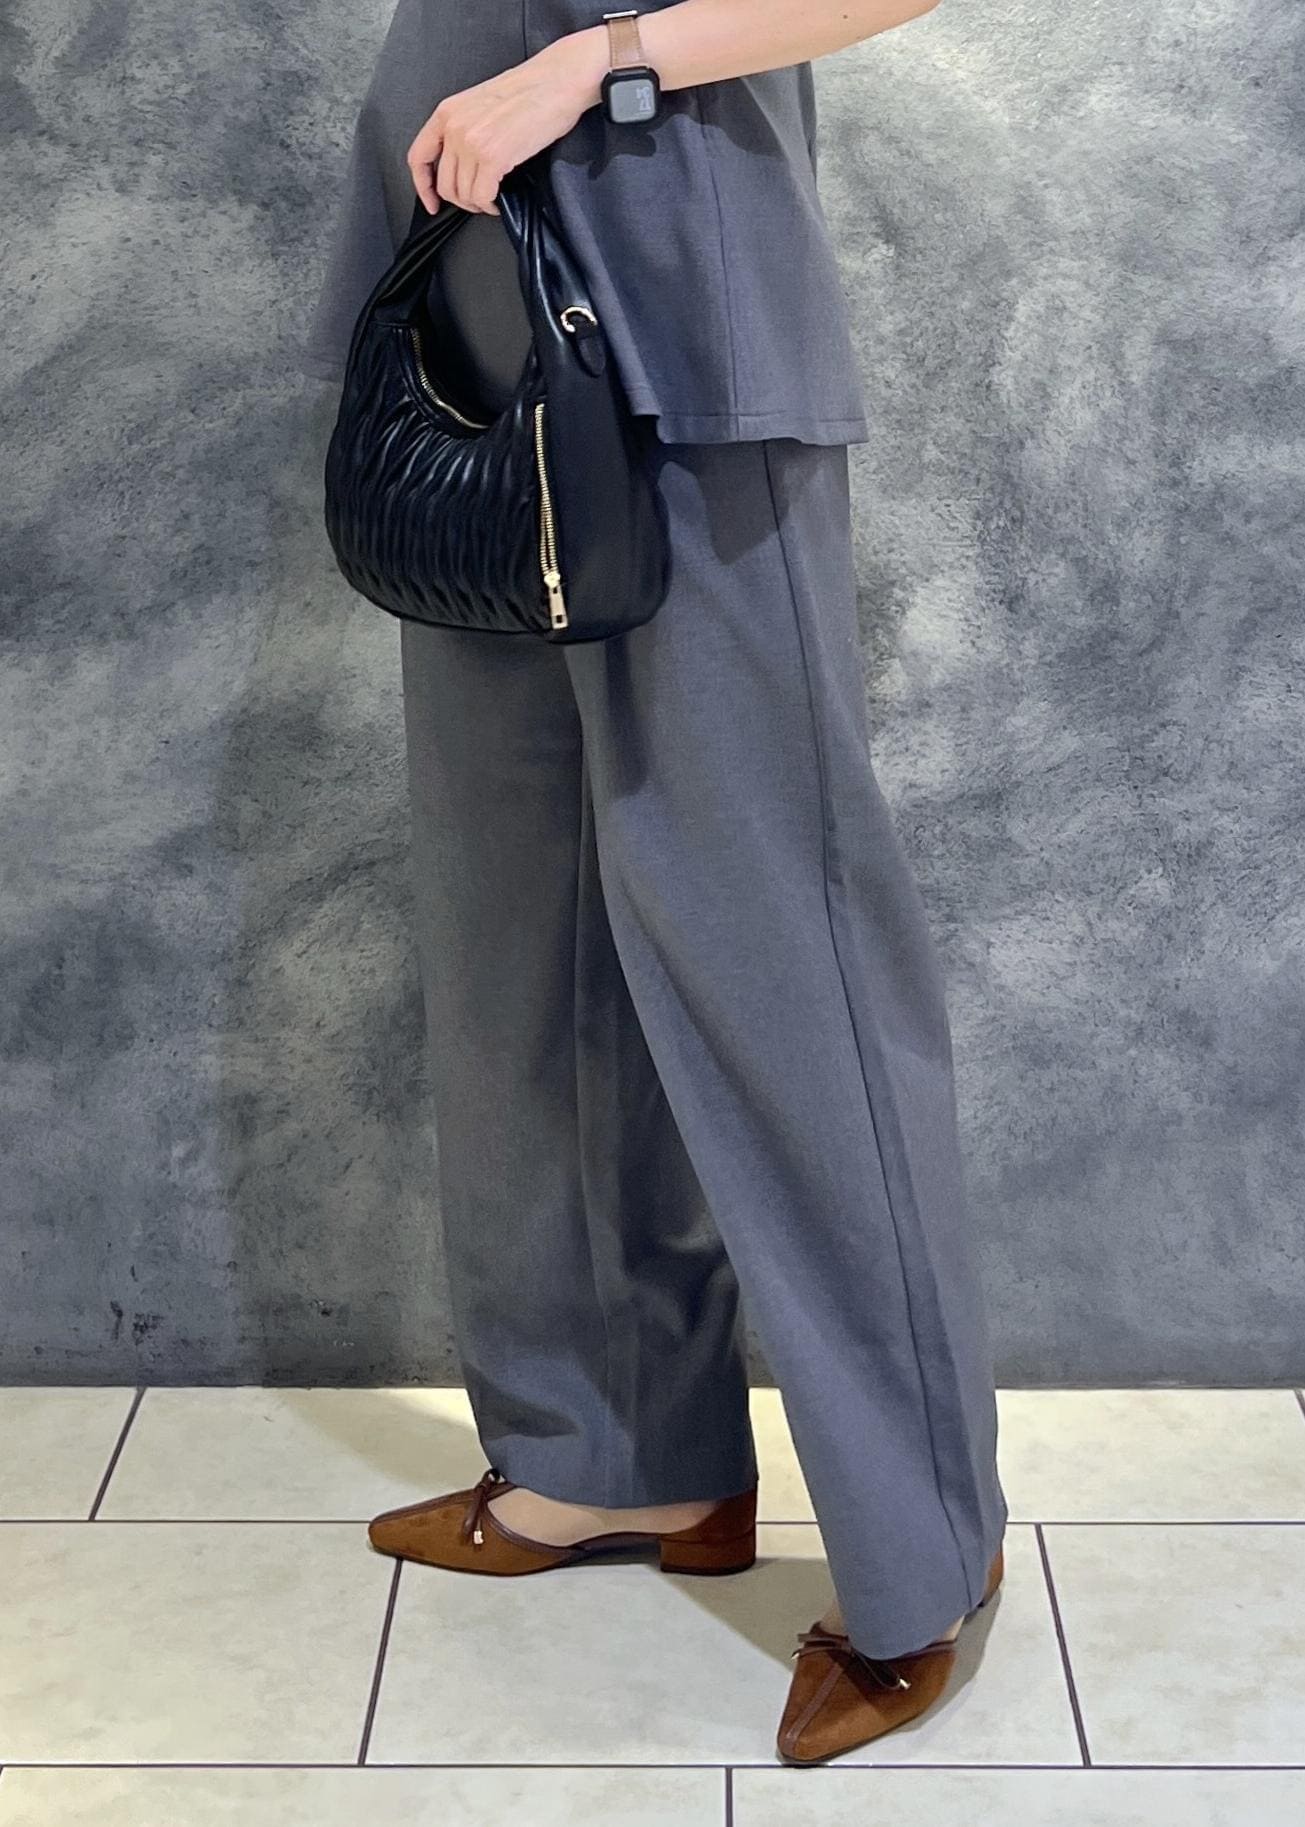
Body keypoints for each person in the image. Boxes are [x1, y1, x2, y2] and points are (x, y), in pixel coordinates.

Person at [302, 0, 1008, 1765]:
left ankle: (926, 1547)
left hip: (678, 332)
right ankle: (609, 1455)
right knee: (520, 942)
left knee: (778, 958)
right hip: (474, 343)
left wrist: (588, 64)